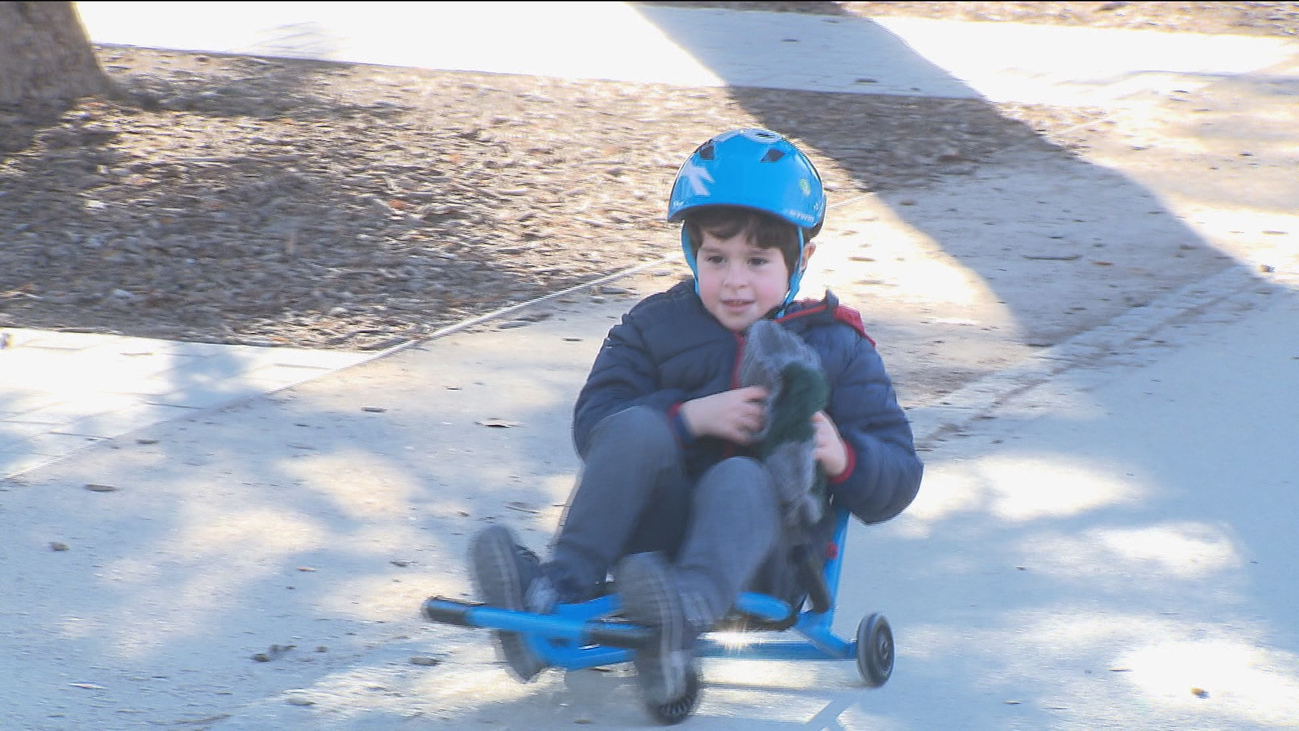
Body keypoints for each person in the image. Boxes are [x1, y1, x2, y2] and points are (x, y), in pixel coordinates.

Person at [468, 128, 923, 707]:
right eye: (716, 258)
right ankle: (553, 594)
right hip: (649, 554)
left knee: (740, 475)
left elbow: (899, 475)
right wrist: (687, 418)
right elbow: (595, 425)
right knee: (635, 425)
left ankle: (677, 620)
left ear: (800, 259)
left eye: (757, 261)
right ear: (692, 253)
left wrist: (841, 454)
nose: (735, 280)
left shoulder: (837, 345)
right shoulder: (655, 325)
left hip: (765, 558)